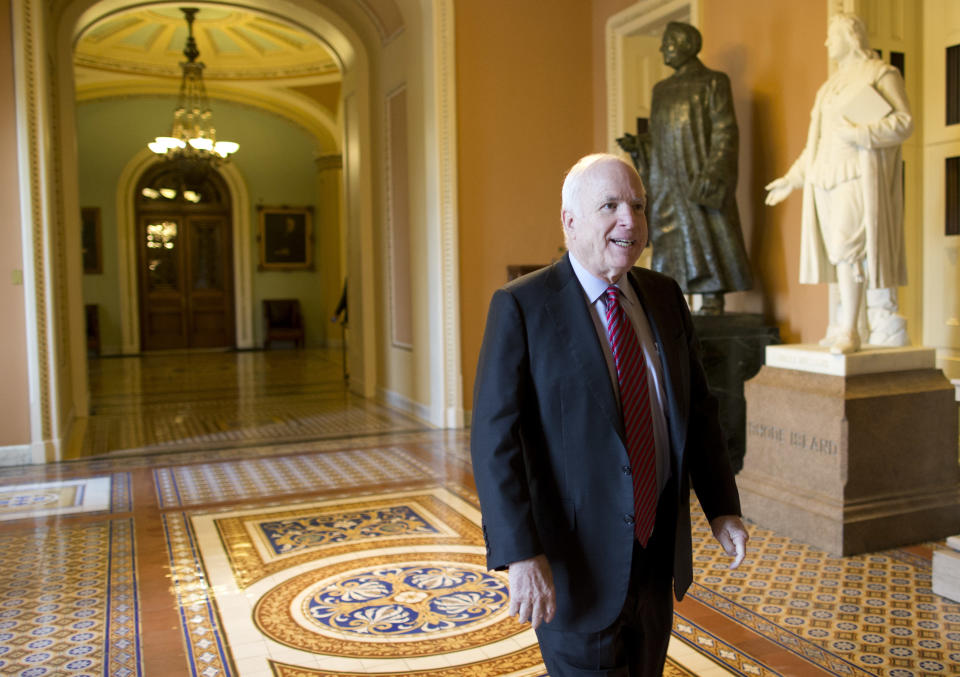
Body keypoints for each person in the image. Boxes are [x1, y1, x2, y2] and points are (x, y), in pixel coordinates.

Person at [471, 153, 748, 676]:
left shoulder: (665, 297)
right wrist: (521, 555)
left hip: (654, 555)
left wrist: (721, 507)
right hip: (572, 566)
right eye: (610, 205)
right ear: (569, 221)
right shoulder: (522, 307)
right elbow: (494, 441)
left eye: (638, 206)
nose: (630, 219)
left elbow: (700, 413)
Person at [765, 13, 913, 354]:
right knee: (838, 253)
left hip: (857, 173)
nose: (828, 43)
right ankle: (849, 323)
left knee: (849, 250)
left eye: (833, 36)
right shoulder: (829, 88)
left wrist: (861, 133)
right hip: (826, 177)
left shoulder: (881, 74)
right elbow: (815, 146)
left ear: (851, 36)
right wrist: (792, 179)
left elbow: (904, 123)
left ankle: (850, 329)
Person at [638, 22, 753, 314]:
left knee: (707, 234)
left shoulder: (713, 82)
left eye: (668, 42)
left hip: (697, 175)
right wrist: (639, 148)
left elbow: (725, 131)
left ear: (686, 45)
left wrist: (713, 172)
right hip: (665, 180)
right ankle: (671, 301)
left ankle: (713, 297)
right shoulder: (660, 90)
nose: (663, 48)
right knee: (669, 238)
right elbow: (657, 138)